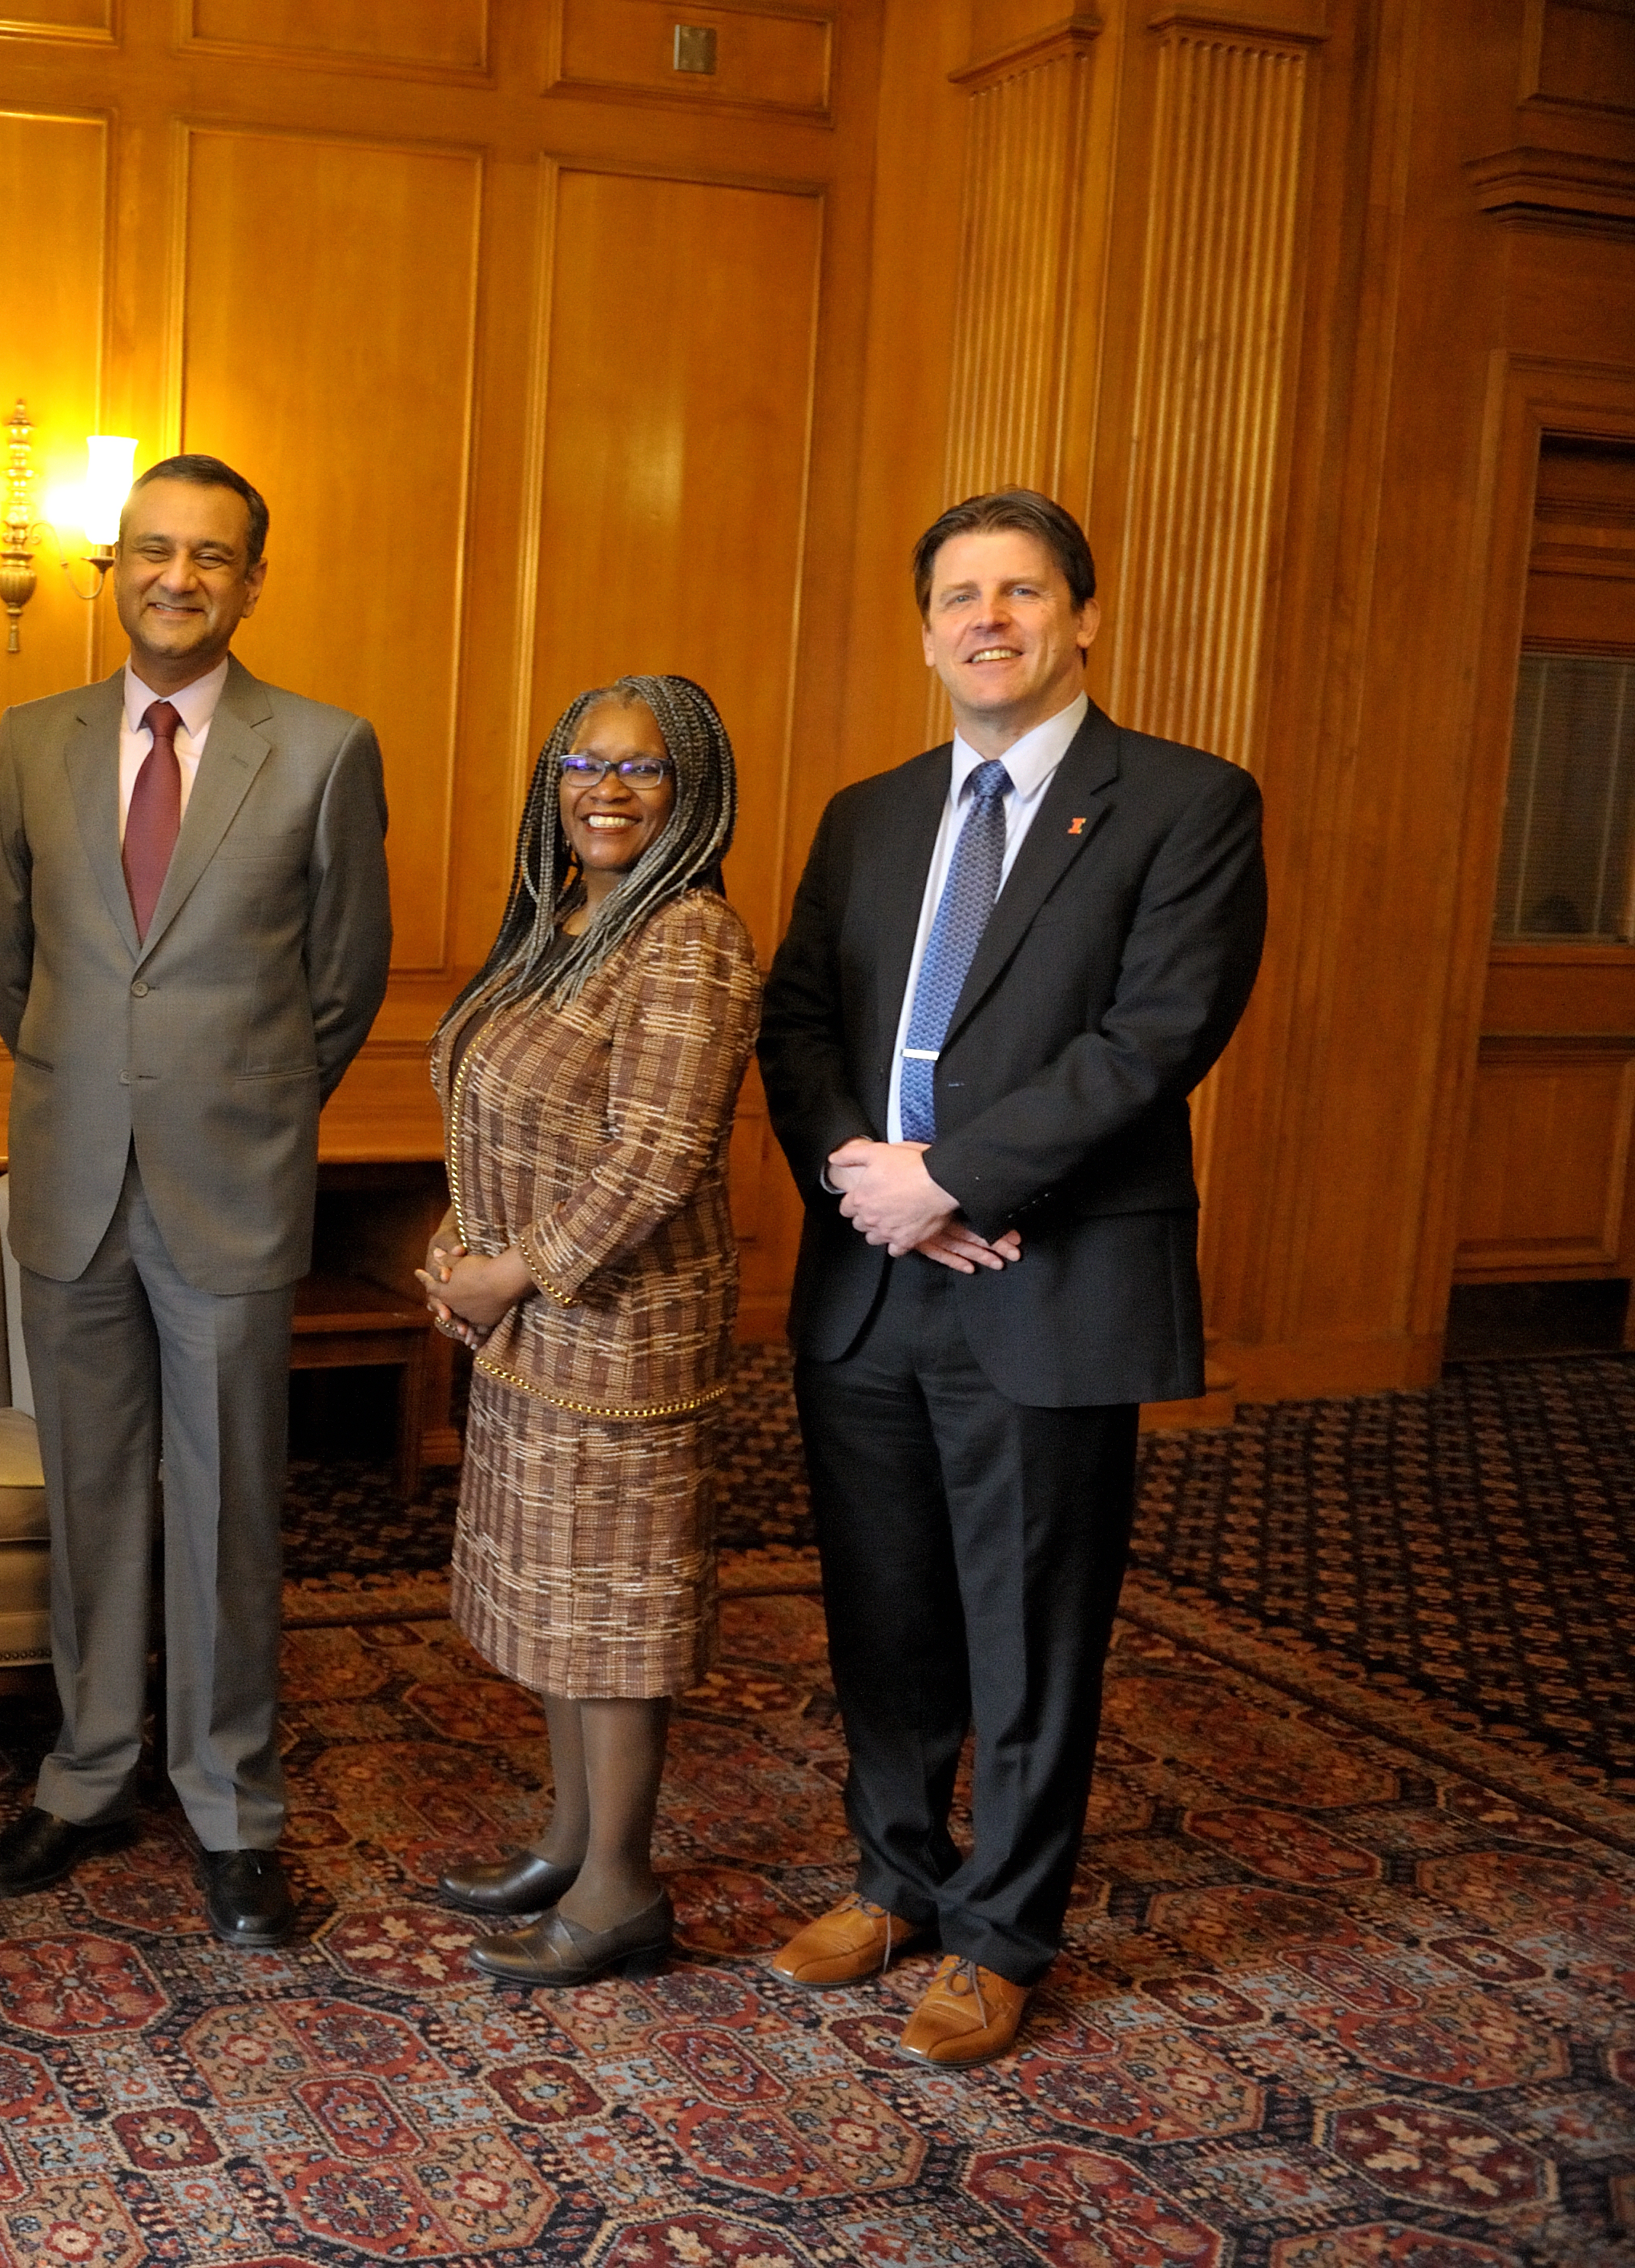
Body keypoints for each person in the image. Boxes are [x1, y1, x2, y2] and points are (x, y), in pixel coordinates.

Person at [757, 489, 1266, 2065]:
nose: (987, 618)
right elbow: (796, 1025)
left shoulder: (1184, 803)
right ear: (926, 631)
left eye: (1021, 592)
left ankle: (1001, 1933)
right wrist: (867, 1180)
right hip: (869, 1279)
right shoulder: (868, 812)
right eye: (959, 596)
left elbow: (1154, 1040)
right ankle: (895, 1882)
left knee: (1031, 1625)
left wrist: (953, 1181)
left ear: (1081, 617)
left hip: (1045, 1281)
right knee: (884, 1609)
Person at [0, 454, 391, 1947]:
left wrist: (239, 1096)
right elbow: (10, 967)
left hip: (233, 1184)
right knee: (88, 1499)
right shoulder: (31, 740)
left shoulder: (326, 749)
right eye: (153, 550)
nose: (178, 577)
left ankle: (230, 1804)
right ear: (114, 565)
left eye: (212, 557)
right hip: (72, 1179)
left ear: (252, 581)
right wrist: (100, 1086)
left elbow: (342, 986)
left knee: (227, 1509)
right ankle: (84, 1779)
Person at [410, 676, 759, 1987]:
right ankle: (567, 1840)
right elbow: (494, 1110)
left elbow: (658, 1158)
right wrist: (454, 1244)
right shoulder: (566, 922)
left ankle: (620, 1889)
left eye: (644, 770)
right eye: (582, 763)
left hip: (620, 1338)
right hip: (531, 1329)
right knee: (557, 1605)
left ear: (695, 794)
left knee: (614, 1621)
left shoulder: (686, 939)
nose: (605, 790)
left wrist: (513, 1271)